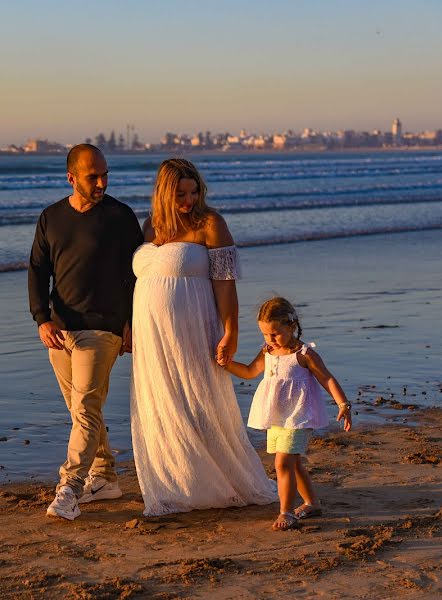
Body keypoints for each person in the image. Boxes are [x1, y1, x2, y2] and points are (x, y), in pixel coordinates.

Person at [130, 158, 276, 517]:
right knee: (161, 402)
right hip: (151, 335)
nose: (189, 199)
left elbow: (225, 284)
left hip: (195, 327)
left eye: (194, 191)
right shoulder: (150, 226)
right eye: (180, 193)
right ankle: (175, 482)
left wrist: (232, 331)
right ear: (164, 191)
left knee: (199, 399)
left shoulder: (211, 224)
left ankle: (215, 480)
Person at [29, 144, 143, 520]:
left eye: (105, 175)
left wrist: (131, 322)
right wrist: (41, 318)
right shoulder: (51, 217)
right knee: (81, 410)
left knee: (85, 408)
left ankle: (69, 487)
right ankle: (105, 476)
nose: (101, 182)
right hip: (60, 330)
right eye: (93, 176)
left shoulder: (120, 216)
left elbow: (137, 275)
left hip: (104, 327)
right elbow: (37, 270)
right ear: (71, 177)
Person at [222, 297, 353, 531]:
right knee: (293, 464)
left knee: (282, 463)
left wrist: (343, 404)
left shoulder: (304, 354)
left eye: (275, 334)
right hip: (276, 417)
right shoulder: (268, 352)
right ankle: (311, 503)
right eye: (265, 335)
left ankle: (286, 512)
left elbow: (326, 378)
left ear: (291, 326)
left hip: (298, 416)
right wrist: (227, 365)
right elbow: (251, 372)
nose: (270, 340)